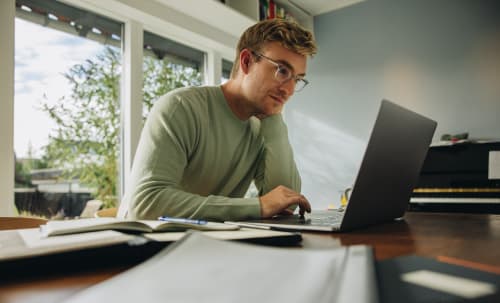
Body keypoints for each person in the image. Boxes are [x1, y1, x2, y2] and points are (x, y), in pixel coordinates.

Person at [118, 18, 317, 221]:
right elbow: (146, 204)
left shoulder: (263, 128)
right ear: (247, 61)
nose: (290, 90)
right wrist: (257, 206)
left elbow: (286, 204)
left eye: (297, 78)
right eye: (282, 71)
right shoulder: (181, 107)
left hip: (210, 244)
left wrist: (274, 120)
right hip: (143, 245)